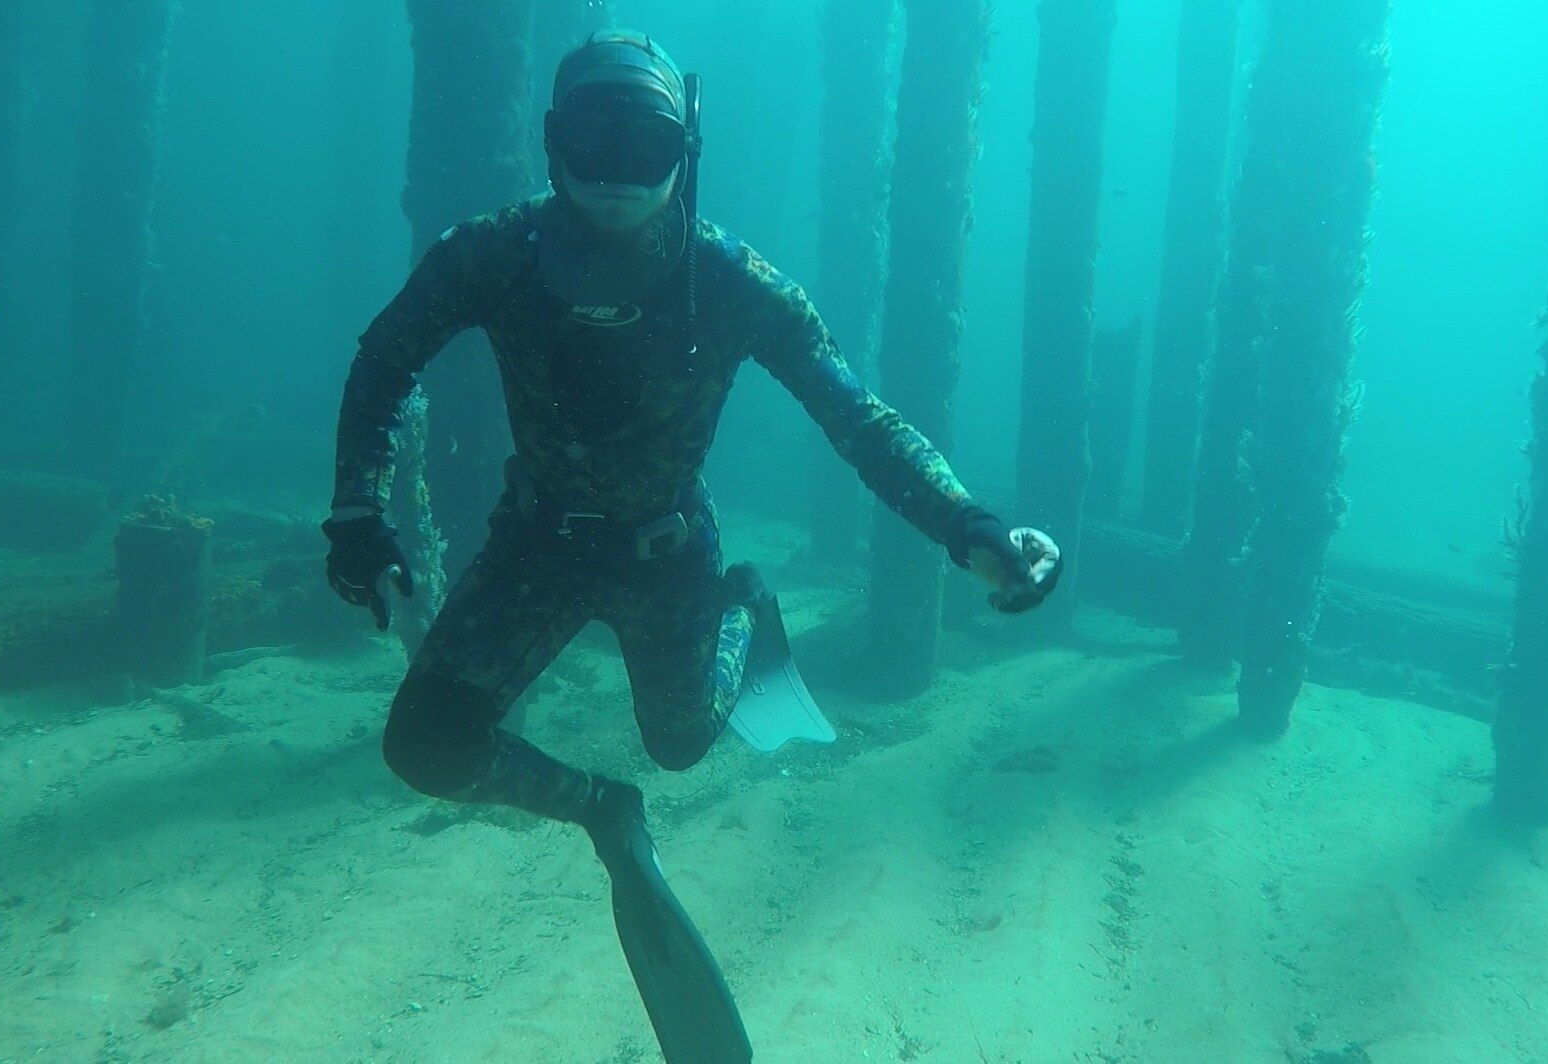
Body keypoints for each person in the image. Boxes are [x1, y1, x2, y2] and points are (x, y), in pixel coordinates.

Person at [321, 31, 1060, 1063]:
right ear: (550, 141)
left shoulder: (732, 283)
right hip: (534, 542)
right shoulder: (491, 254)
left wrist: (967, 525)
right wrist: (355, 507)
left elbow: (856, 419)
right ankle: (601, 811)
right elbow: (386, 356)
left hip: (667, 556)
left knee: (683, 739)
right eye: (594, 138)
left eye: (647, 141)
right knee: (426, 745)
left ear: (687, 146)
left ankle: (743, 608)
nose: (618, 172)